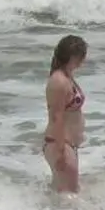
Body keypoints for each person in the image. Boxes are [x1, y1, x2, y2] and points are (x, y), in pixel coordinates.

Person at [42, 33, 88, 194]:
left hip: (67, 144)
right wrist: (61, 152)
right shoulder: (59, 81)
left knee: (64, 192)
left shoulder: (67, 77)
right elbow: (57, 118)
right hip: (60, 144)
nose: (84, 61)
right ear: (74, 56)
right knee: (69, 194)